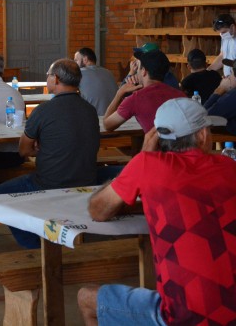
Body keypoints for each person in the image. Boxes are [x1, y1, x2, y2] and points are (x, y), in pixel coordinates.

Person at [77, 98, 235, 326]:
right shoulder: (229, 167)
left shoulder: (147, 165)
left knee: (86, 298)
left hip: (186, 317)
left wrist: (141, 158)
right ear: (202, 136)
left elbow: (98, 210)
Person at [0, 59, 100, 249]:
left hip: (50, 183)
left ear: (56, 79)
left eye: (48, 75)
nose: (47, 78)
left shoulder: (44, 110)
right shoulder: (90, 110)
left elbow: (23, 150)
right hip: (86, 179)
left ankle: (35, 246)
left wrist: (39, 149)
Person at [104, 48, 185, 133]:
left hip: (155, 145)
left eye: (138, 68)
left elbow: (107, 125)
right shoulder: (180, 95)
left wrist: (119, 93)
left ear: (143, 71)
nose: (136, 72)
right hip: (183, 145)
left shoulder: (136, 99)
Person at [74, 47, 117, 115]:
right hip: (113, 118)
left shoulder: (79, 73)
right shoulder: (108, 72)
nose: (75, 64)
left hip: (93, 119)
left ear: (85, 59)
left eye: (76, 60)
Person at [208, 13, 236, 77]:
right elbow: (222, 56)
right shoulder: (226, 37)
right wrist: (208, 70)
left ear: (232, 27)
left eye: (223, 32)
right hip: (229, 79)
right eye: (220, 33)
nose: (222, 35)